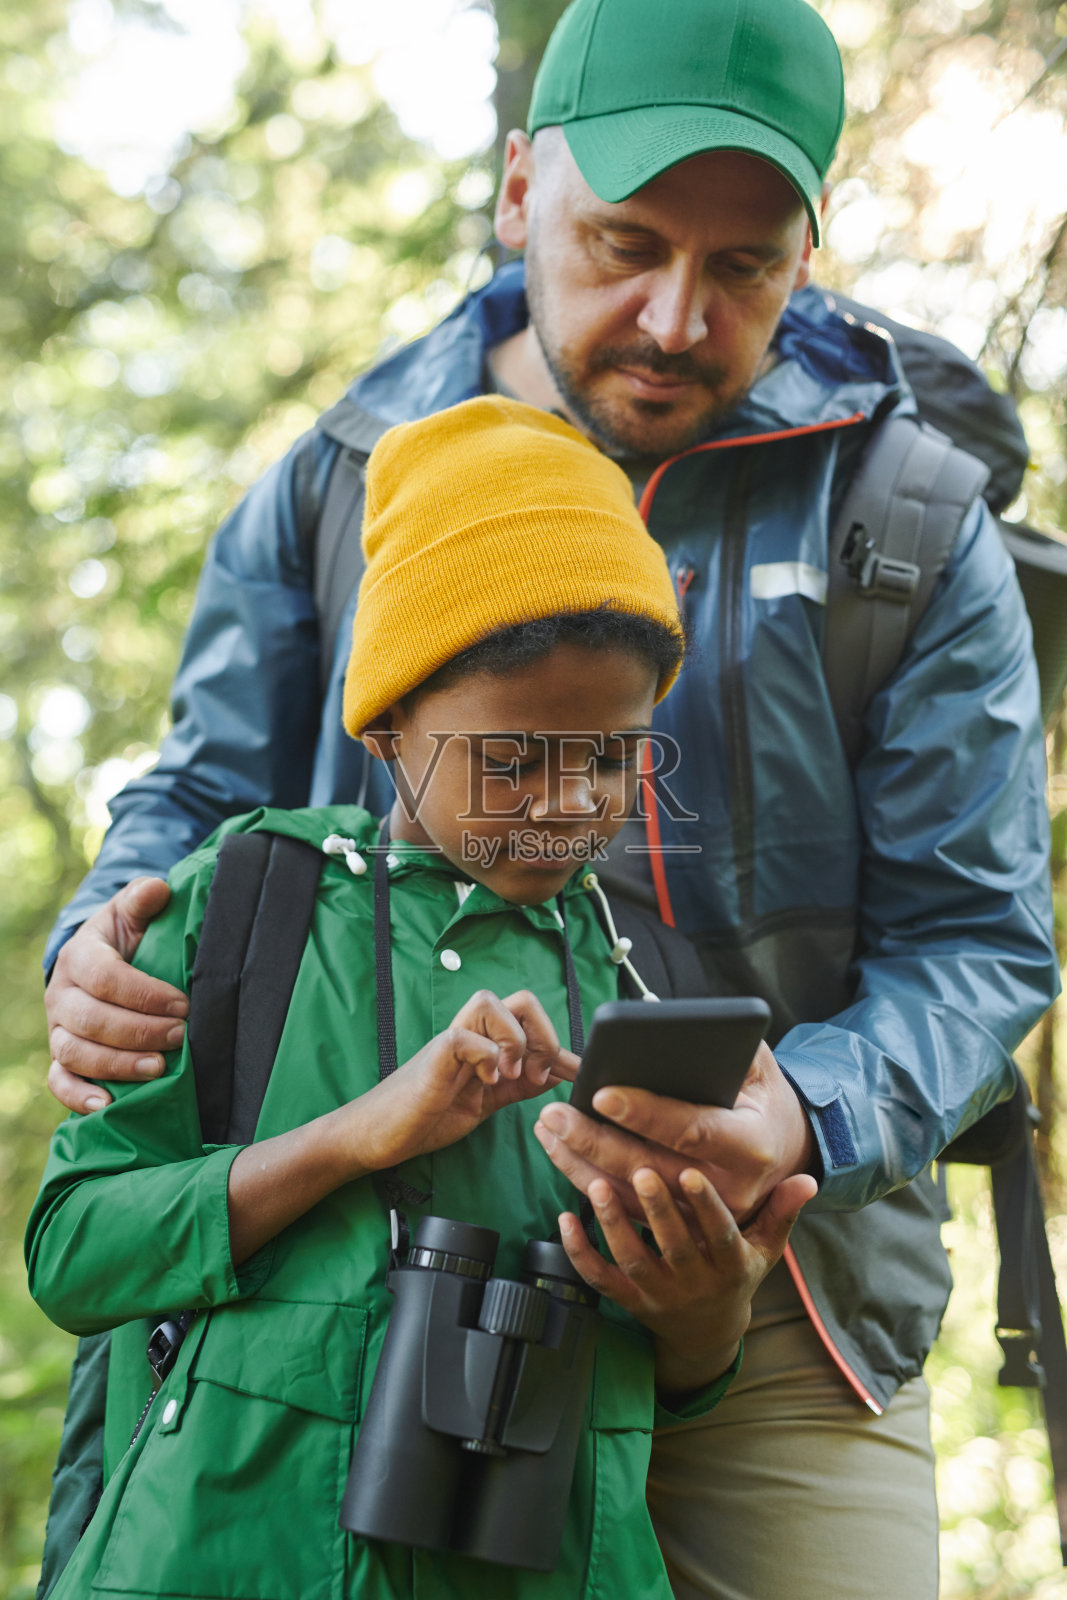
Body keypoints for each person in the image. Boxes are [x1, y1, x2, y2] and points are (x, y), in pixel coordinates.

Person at [38, 0, 1058, 1595]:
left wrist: (796, 1113)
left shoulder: (905, 525)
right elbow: (199, 796)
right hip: (354, 1273)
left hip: (768, 1294)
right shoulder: (340, 475)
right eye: (623, 240)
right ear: (521, 188)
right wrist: (104, 939)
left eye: (741, 267)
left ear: (811, 242)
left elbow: (980, 942)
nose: (671, 316)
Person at [27, 397, 814, 1600]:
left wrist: (704, 1310)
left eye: (609, 756)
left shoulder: (630, 980)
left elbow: (664, 1373)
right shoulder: (243, 905)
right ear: (387, 722)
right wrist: (355, 1135)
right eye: (510, 760)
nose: (565, 804)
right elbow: (75, 1254)